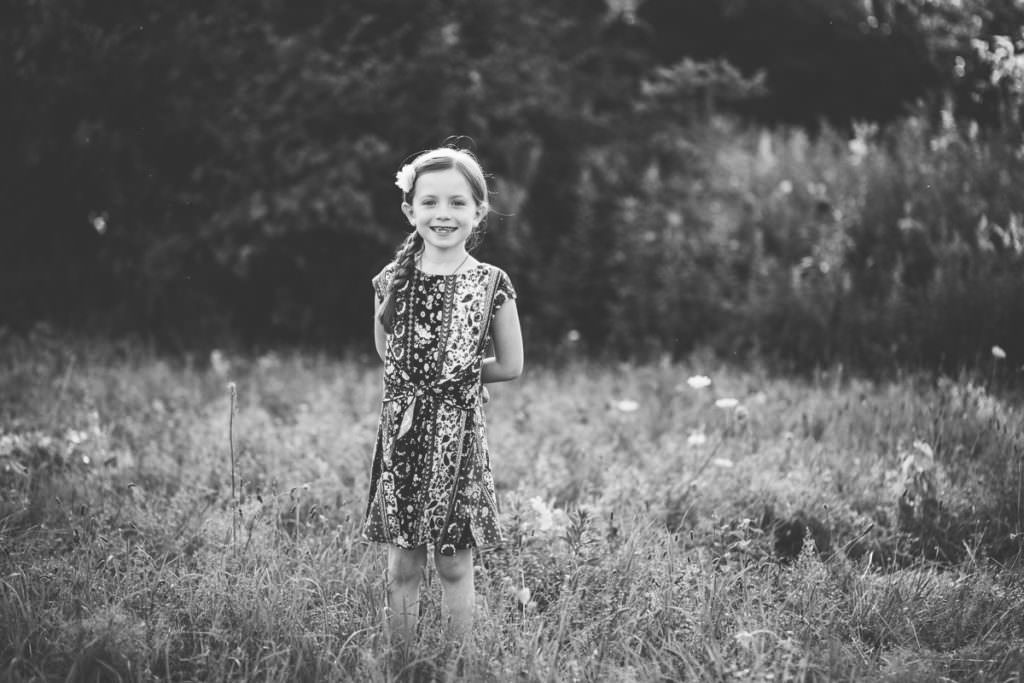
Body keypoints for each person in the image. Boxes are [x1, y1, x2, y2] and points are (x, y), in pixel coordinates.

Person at [363, 145, 524, 645]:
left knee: (454, 561)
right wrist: (421, 386)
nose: (443, 214)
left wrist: (457, 378)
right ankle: (403, 660)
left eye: (457, 203)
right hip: (405, 439)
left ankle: (462, 664)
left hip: (458, 439)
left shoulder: (491, 283)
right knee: (403, 561)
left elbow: (512, 364)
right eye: (430, 202)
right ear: (410, 210)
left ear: (478, 212)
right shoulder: (390, 282)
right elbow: (390, 358)